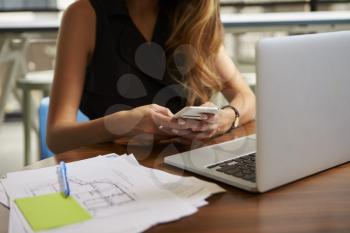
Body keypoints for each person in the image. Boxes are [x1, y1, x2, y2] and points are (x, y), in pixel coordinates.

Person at [47, 0, 256, 153]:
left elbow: (248, 98)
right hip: (117, 175)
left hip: (194, 170)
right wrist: (119, 123)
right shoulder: (83, 15)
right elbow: (57, 137)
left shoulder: (192, 14)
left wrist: (224, 118)